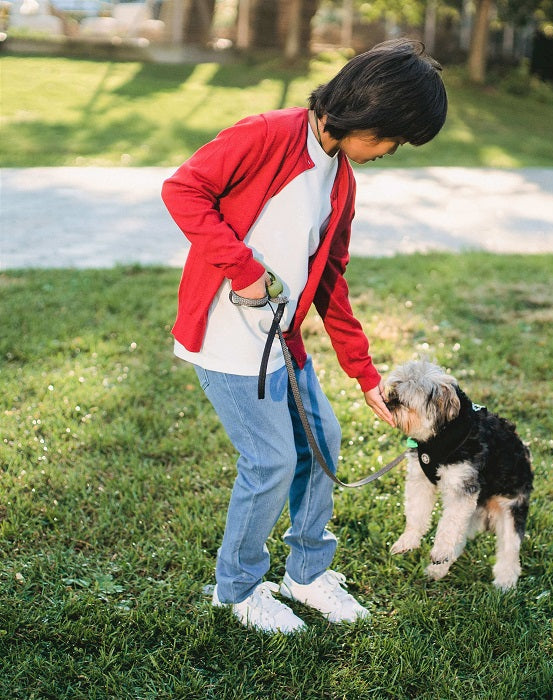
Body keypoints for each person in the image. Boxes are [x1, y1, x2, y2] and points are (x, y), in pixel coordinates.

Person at [161, 39, 447, 634]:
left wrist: (365, 375)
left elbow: (331, 283)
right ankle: (236, 589)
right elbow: (182, 190)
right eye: (393, 139)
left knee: (321, 443)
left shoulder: (341, 180)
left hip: (281, 342)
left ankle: (306, 574)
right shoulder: (266, 134)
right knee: (268, 462)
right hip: (225, 338)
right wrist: (244, 270)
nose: (390, 152)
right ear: (367, 115)